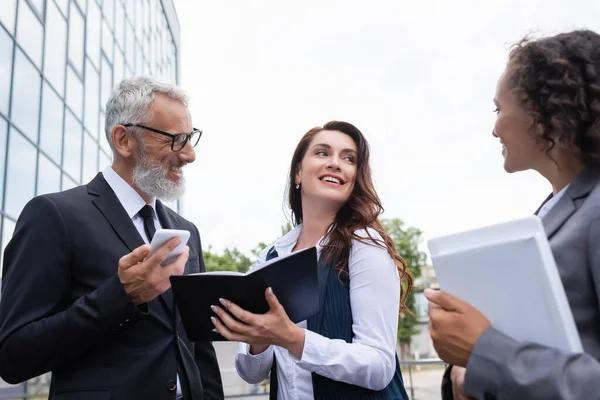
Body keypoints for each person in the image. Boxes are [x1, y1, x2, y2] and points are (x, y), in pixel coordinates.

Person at [0, 76, 224, 399]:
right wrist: (121, 297)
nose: (189, 155)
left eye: (190, 138)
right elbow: (12, 355)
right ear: (123, 140)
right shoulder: (54, 216)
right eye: (176, 140)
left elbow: (199, 350)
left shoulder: (187, 231)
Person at [427, 29, 600, 400]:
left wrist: (483, 353)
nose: (494, 129)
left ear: (543, 113)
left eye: (498, 108)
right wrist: (462, 373)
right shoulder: (552, 211)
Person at [211, 121, 412, 399]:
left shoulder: (365, 246)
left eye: (348, 158)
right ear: (298, 172)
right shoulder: (269, 257)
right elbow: (251, 373)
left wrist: (291, 338)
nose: (335, 163)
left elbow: (379, 366)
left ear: (354, 179)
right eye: (322, 153)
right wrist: (257, 338)